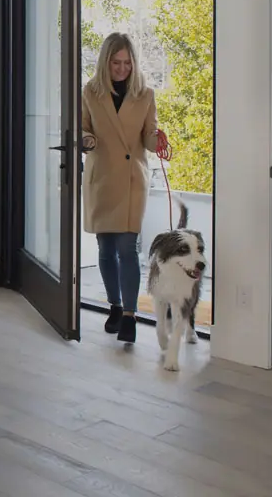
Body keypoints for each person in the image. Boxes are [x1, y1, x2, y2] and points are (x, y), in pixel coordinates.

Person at [81, 32, 161, 343]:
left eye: (128, 62)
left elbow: (149, 135)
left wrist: (159, 140)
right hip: (102, 176)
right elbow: (83, 128)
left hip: (132, 179)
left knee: (128, 247)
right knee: (106, 248)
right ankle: (114, 306)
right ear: (105, 62)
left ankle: (130, 315)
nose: (122, 68)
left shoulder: (145, 94)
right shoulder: (90, 91)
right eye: (116, 62)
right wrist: (86, 140)